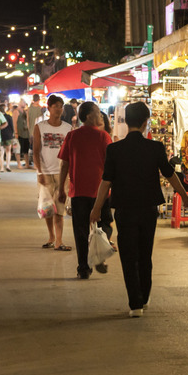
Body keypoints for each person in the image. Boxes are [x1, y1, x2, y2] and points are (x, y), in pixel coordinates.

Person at [90, 102, 188, 317]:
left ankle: (135, 304)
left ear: (126, 122)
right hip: (148, 210)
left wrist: (97, 207)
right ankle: (144, 298)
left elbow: (106, 181)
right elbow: (169, 174)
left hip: (125, 210)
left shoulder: (114, 149)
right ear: (146, 122)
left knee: (128, 256)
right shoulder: (155, 148)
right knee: (145, 255)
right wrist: (183, 195)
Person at [57, 101, 113, 279]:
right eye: (98, 112)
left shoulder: (72, 136)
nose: (101, 115)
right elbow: (112, 166)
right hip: (101, 193)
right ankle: (99, 252)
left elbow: (64, 165)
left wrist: (61, 189)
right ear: (89, 116)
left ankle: (83, 268)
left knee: (80, 230)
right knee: (105, 225)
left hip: (78, 192)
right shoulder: (103, 137)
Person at [33, 95, 72, 250]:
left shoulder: (68, 128)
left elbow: (71, 153)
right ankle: (51, 236)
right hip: (45, 173)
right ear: (48, 108)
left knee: (60, 208)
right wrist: (39, 172)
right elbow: (36, 152)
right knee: (48, 208)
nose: (58, 109)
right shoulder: (40, 127)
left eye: (60, 106)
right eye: (55, 106)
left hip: (63, 173)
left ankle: (59, 241)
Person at [0, 105, 16, 173]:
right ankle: (8, 166)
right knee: (8, 151)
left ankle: (2, 167)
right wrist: (12, 134)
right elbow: (12, 126)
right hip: (8, 135)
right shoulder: (9, 117)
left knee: (1, 152)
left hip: (0, 135)